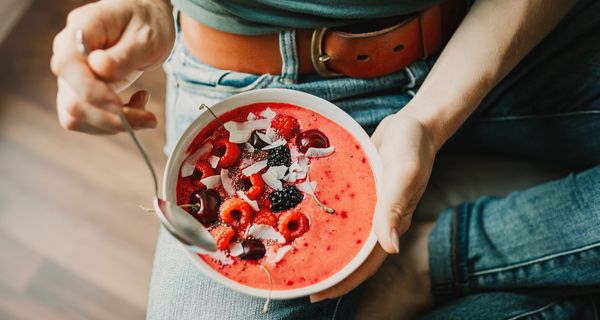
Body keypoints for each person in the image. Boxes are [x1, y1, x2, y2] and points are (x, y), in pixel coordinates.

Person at [50, 0, 600, 318]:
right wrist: (143, 9)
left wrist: (428, 121)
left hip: (498, 34)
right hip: (253, 77)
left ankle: (436, 260)